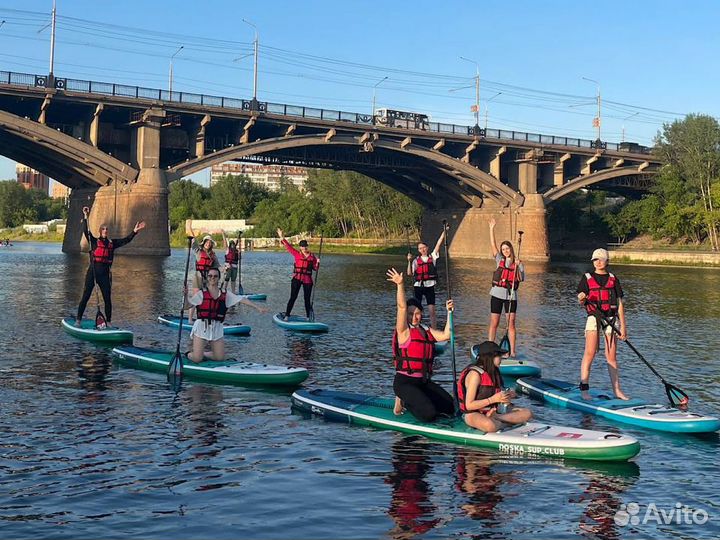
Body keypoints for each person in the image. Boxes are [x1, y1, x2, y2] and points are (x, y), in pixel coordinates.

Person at [387, 267, 455, 423]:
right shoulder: (403, 330)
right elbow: (402, 307)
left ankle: (416, 399)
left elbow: (446, 335)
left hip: (423, 382)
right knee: (429, 415)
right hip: (404, 382)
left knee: (450, 407)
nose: (414, 317)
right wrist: (400, 284)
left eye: (418, 313)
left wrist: (449, 312)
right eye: (411, 314)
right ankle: (403, 400)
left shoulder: (425, 331)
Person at [76, 206, 145, 326]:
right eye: (103, 229)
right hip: (93, 272)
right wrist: (86, 216)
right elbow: (85, 230)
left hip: (105, 274)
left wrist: (135, 231)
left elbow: (126, 240)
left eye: (106, 229)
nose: (105, 231)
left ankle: (108, 322)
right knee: (86, 296)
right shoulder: (94, 241)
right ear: (100, 231)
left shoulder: (112, 243)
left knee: (107, 299)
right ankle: (78, 320)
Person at [577, 248, 629, 400]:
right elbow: (581, 300)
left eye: (601, 259)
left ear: (607, 261)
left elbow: (619, 304)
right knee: (590, 353)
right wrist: (581, 298)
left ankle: (617, 390)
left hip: (611, 319)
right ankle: (584, 389)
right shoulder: (586, 278)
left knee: (611, 357)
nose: (598, 262)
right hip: (594, 317)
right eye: (595, 260)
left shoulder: (613, 279)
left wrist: (623, 327)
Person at [185, 267, 266, 363]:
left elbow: (241, 299)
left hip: (217, 328)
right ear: (207, 278)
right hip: (202, 326)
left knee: (219, 358)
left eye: (215, 276)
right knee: (197, 359)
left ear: (218, 278)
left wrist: (257, 307)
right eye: (210, 276)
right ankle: (189, 354)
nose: (212, 278)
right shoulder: (201, 293)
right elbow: (187, 306)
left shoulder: (225, 294)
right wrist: (186, 295)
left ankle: (203, 353)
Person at [457, 341, 533, 432]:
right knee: (490, 425)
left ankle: (497, 418)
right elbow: (469, 405)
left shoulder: (494, 371)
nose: (501, 359)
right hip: (473, 413)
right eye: (498, 356)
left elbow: (496, 392)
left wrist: (508, 395)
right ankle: (503, 421)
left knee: (527, 414)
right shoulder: (475, 375)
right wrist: (492, 400)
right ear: (490, 357)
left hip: (493, 411)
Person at [487, 218, 524, 357]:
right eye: (503, 249)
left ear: (511, 249)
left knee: (511, 323)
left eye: (507, 248)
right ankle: (490, 348)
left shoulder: (518, 262)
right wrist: (492, 229)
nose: (505, 251)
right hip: (497, 294)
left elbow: (521, 278)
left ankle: (512, 352)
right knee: (494, 322)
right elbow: (493, 244)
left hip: (511, 296)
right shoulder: (499, 260)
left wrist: (519, 266)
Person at [406, 229, 446, 329]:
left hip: (430, 286)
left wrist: (444, 231)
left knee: (432, 311)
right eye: (420, 248)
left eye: (424, 247)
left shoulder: (432, 257)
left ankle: (434, 331)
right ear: (419, 250)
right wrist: (409, 261)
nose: (423, 249)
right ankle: (415, 329)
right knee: (416, 310)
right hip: (418, 287)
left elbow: (439, 243)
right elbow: (409, 273)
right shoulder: (415, 261)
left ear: (427, 248)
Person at [277, 228, 319, 320]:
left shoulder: (312, 257)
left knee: (307, 299)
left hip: (307, 280)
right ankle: (287, 315)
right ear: (300, 247)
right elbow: (288, 247)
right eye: (302, 246)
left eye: (305, 246)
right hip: (297, 278)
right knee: (293, 297)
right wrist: (281, 236)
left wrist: (317, 263)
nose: (304, 248)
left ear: (307, 247)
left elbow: (315, 269)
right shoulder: (296, 254)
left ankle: (308, 317)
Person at [222, 230, 243, 295]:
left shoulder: (236, 251)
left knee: (233, 280)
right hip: (228, 267)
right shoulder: (227, 250)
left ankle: (233, 292)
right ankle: (224, 291)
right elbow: (225, 242)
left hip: (235, 267)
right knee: (226, 279)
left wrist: (239, 254)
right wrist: (223, 234)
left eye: (233, 244)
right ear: (230, 245)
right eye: (231, 244)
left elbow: (239, 259)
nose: (233, 245)